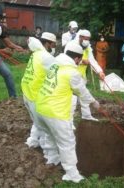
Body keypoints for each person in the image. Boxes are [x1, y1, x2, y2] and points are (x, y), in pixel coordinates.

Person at [35, 42, 100, 183]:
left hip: (40, 108)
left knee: (50, 135)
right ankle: (71, 174)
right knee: (67, 143)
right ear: (76, 59)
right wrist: (94, 102)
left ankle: (52, 157)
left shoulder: (54, 65)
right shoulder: (72, 72)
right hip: (55, 112)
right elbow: (82, 91)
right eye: (79, 60)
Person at [21, 33, 56, 148]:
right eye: (53, 44)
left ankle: (33, 142)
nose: (54, 47)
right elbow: (57, 73)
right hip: (35, 95)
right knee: (45, 125)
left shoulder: (36, 54)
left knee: (36, 122)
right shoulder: (46, 57)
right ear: (47, 43)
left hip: (27, 91)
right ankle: (48, 154)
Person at [65, 29, 105, 121]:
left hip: (81, 76)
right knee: (72, 99)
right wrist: (82, 61)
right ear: (80, 37)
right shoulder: (71, 45)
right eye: (86, 39)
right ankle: (69, 121)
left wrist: (100, 72)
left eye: (89, 39)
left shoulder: (87, 47)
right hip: (70, 75)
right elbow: (66, 59)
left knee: (83, 97)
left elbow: (92, 61)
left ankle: (86, 115)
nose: (87, 41)